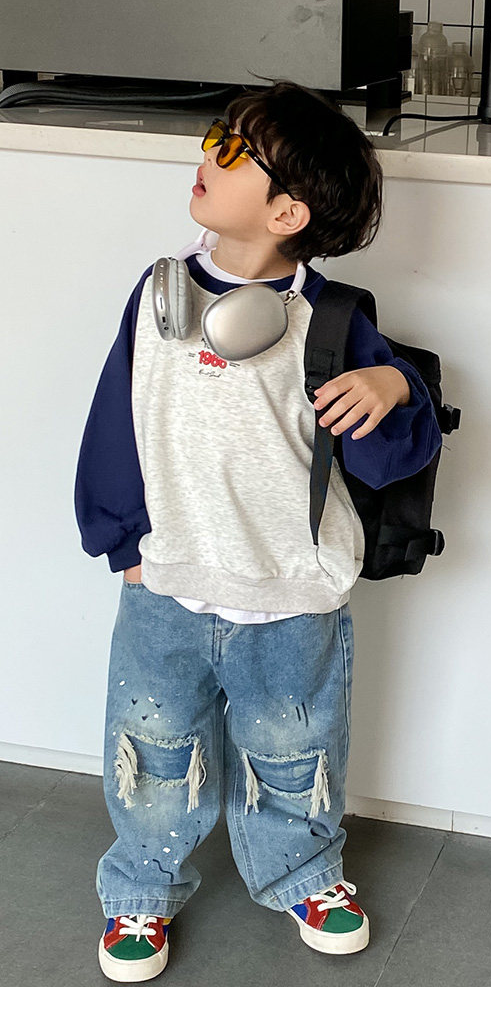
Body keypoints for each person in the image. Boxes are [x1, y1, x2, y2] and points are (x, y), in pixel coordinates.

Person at [74, 79, 443, 983]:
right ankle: (142, 885)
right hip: (167, 583)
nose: (208, 153)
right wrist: (121, 541)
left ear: (287, 212)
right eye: (216, 135)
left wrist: (396, 385)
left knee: (294, 746)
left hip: (290, 591)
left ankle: (304, 871)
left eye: (235, 150)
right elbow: (118, 417)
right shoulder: (158, 294)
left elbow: (388, 460)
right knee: (154, 745)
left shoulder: (334, 321)